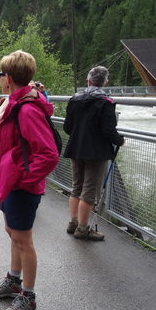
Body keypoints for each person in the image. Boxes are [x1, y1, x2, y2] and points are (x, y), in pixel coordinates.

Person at [0, 50, 59, 310]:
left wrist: (23, 179)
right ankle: (14, 281)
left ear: (8, 77)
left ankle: (28, 296)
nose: (0, 78)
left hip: (21, 186)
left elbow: (49, 154)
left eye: (1, 73)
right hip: (11, 183)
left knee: (24, 240)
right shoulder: (12, 103)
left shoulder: (26, 110)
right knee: (13, 233)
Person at [63, 66, 125, 241]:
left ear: (88, 81)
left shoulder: (74, 100)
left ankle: (73, 223)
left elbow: (68, 128)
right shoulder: (106, 102)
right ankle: (83, 230)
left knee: (76, 187)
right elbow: (108, 131)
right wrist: (119, 140)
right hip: (96, 153)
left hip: (76, 148)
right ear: (105, 82)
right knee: (89, 191)